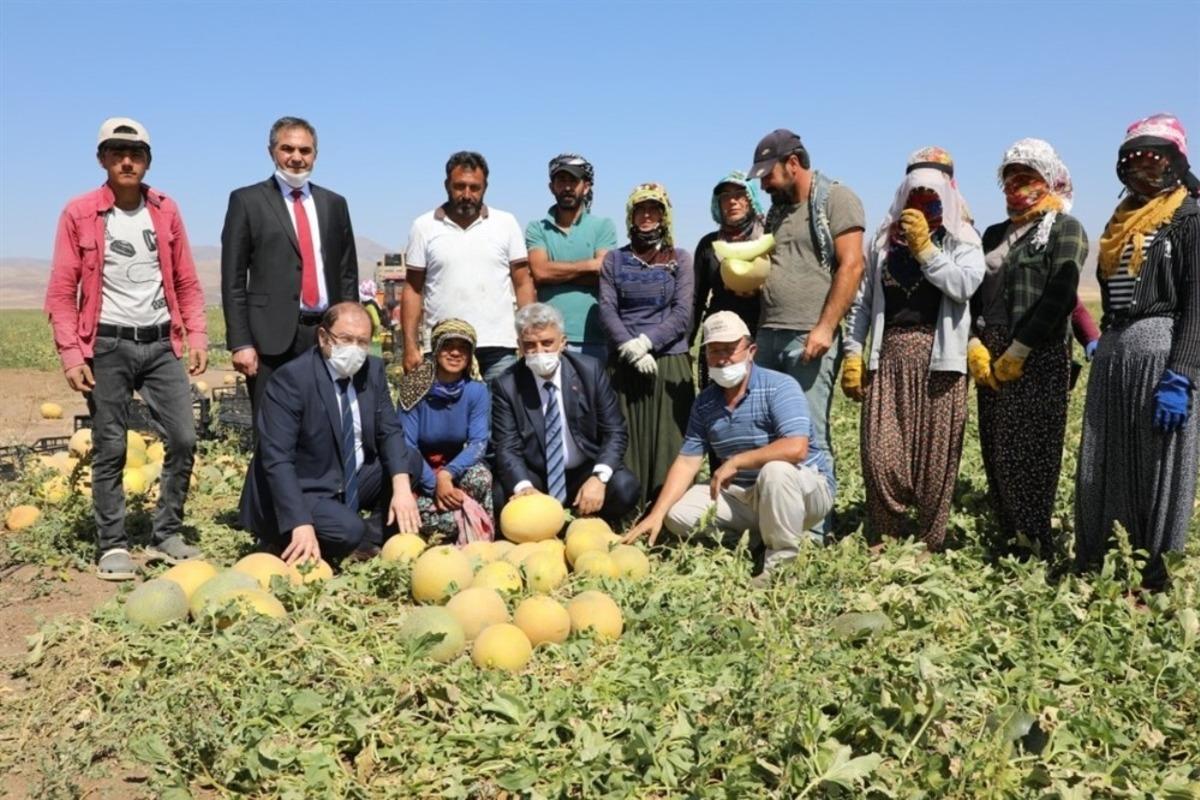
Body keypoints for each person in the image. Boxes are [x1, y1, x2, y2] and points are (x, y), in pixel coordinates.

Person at [44, 117, 208, 580]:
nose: (127, 160)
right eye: (116, 152)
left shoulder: (166, 209)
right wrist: (72, 355)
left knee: (183, 438)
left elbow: (186, 281)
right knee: (111, 444)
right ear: (102, 159)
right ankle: (112, 543)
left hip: (161, 343)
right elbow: (61, 290)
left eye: (135, 153)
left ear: (148, 161)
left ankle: (166, 533)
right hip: (107, 345)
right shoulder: (79, 212)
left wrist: (196, 334)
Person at [1075, 113, 1200, 589]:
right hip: (1115, 353)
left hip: (1160, 354)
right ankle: (1103, 564)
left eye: (1155, 163)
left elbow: (1196, 302)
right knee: (1103, 463)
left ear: (1175, 163)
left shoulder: (1188, 217)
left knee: (1156, 467)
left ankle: (1153, 578)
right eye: (1135, 165)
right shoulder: (1119, 222)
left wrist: (1182, 372)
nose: (1144, 174)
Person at [622, 312, 835, 585]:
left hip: (804, 489)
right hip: (745, 495)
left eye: (730, 349)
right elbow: (688, 461)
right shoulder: (706, 403)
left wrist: (737, 462)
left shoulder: (779, 386)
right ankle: (758, 538)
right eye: (714, 351)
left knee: (776, 471)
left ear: (751, 351)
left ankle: (781, 567)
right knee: (678, 514)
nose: (722, 358)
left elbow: (796, 448)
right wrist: (657, 514)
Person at [841, 154, 986, 550]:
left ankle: (928, 539)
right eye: (915, 194)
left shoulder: (963, 238)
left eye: (931, 195)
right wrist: (854, 353)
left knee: (935, 457)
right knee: (879, 453)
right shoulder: (884, 241)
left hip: (941, 360)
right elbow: (862, 303)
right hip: (889, 356)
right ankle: (885, 532)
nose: (922, 201)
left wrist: (926, 250)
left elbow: (964, 286)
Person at [967, 139, 1086, 556]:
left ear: (1050, 179)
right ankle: (1008, 534)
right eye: (1011, 177)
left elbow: (1061, 294)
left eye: (1028, 177)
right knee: (996, 445)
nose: (1017, 185)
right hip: (991, 347)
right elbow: (973, 293)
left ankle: (1035, 540)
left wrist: (1020, 349)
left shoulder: (1064, 228)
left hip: (1039, 351)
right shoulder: (994, 234)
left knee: (1034, 449)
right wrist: (975, 344)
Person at [747, 129, 865, 536]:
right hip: (769, 334)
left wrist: (825, 327)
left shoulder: (836, 198)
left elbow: (852, 266)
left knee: (808, 433)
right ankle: (775, 521)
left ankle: (816, 530)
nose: (763, 184)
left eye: (768, 174)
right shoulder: (777, 210)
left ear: (793, 163)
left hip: (808, 336)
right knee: (765, 430)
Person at [238, 303, 421, 564]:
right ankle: (288, 537)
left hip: (347, 477)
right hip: (303, 486)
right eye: (346, 339)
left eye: (362, 342)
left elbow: (389, 431)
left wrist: (401, 488)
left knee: (409, 462)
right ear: (324, 337)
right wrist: (299, 521)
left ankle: (360, 538)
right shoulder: (291, 380)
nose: (354, 350)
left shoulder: (373, 372)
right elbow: (277, 460)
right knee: (347, 530)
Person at [221, 116, 359, 417]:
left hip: (326, 333)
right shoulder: (247, 201)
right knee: (272, 429)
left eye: (305, 150)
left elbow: (347, 272)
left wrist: (351, 331)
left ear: (315, 155)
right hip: (270, 339)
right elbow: (232, 280)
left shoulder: (334, 204)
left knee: (324, 425)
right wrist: (241, 342)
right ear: (272, 151)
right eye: (288, 149)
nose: (296, 157)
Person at [491, 303, 639, 522]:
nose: (539, 351)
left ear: (563, 343)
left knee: (625, 487)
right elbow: (506, 446)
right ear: (519, 346)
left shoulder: (591, 372)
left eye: (547, 343)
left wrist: (599, 477)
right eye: (530, 345)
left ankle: (591, 521)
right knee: (502, 495)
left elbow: (615, 431)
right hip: (537, 474)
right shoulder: (507, 385)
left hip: (583, 470)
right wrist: (524, 487)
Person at [598, 183, 695, 506]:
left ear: (665, 216)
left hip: (668, 362)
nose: (647, 215)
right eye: (641, 209)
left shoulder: (679, 259)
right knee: (625, 438)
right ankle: (628, 506)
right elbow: (608, 308)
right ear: (631, 215)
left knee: (668, 440)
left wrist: (647, 342)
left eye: (655, 209)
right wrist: (628, 346)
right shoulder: (614, 260)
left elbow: (682, 313)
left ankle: (666, 510)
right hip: (624, 363)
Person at [402, 151, 534, 381]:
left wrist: (528, 336)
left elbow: (523, 282)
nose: (467, 194)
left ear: (485, 187)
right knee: (448, 416)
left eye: (475, 188)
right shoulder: (424, 226)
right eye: (459, 186)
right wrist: (410, 346)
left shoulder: (506, 223)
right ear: (447, 185)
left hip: (498, 347)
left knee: (501, 416)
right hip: (444, 347)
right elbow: (413, 289)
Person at [397, 318, 494, 543]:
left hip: (452, 470)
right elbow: (407, 447)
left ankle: (479, 539)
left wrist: (447, 475)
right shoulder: (414, 388)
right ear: (437, 349)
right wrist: (435, 485)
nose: (455, 353)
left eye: (463, 348)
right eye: (448, 346)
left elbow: (479, 442)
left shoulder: (476, 391)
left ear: (470, 355)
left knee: (481, 478)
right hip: (419, 472)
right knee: (443, 521)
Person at [526, 154, 619, 361]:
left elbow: (603, 272)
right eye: (561, 181)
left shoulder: (603, 226)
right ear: (552, 187)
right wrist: (588, 266)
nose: (567, 187)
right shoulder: (537, 228)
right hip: (548, 337)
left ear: (585, 186)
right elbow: (540, 272)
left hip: (593, 336)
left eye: (573, 181)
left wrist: (555, 273)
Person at [692, 171, 767, 388]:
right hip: (720, 336)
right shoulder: (708, 245)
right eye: (725, 197)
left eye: (739, 194)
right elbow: (696, 299)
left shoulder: (769, 237)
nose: (732, 201)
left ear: (751, 198)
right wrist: (685, 344)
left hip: (760, 335)